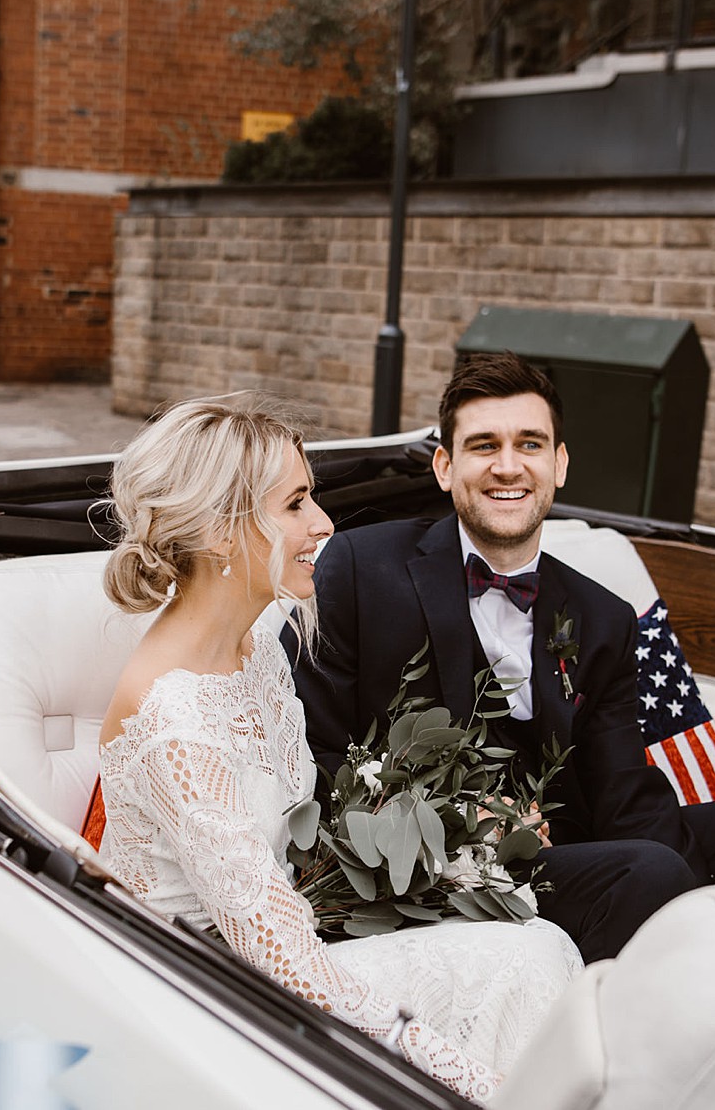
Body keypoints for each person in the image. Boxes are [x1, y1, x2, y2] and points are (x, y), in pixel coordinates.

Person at [94, 394, 580, 1102]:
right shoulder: (176, 723)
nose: (323, 524)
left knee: (537, 942)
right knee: (529, 965)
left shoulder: (253, 647)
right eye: (294, 504)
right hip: (214, 1000)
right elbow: (285, 967)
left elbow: (297, 844)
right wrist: (472, 1084)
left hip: (281, 950)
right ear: (223, 532)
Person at [293, 352, 715, 964]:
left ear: (559, 464)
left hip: (568, 847)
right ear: (445, 466)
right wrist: (447, 823)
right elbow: (316, 751)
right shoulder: (361, 566)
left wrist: (689, 880)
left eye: (530, 444)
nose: (508, 467)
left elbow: (623, 791)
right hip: (427, 868)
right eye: (484, 445)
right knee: (648, 873)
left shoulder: (603, 618)